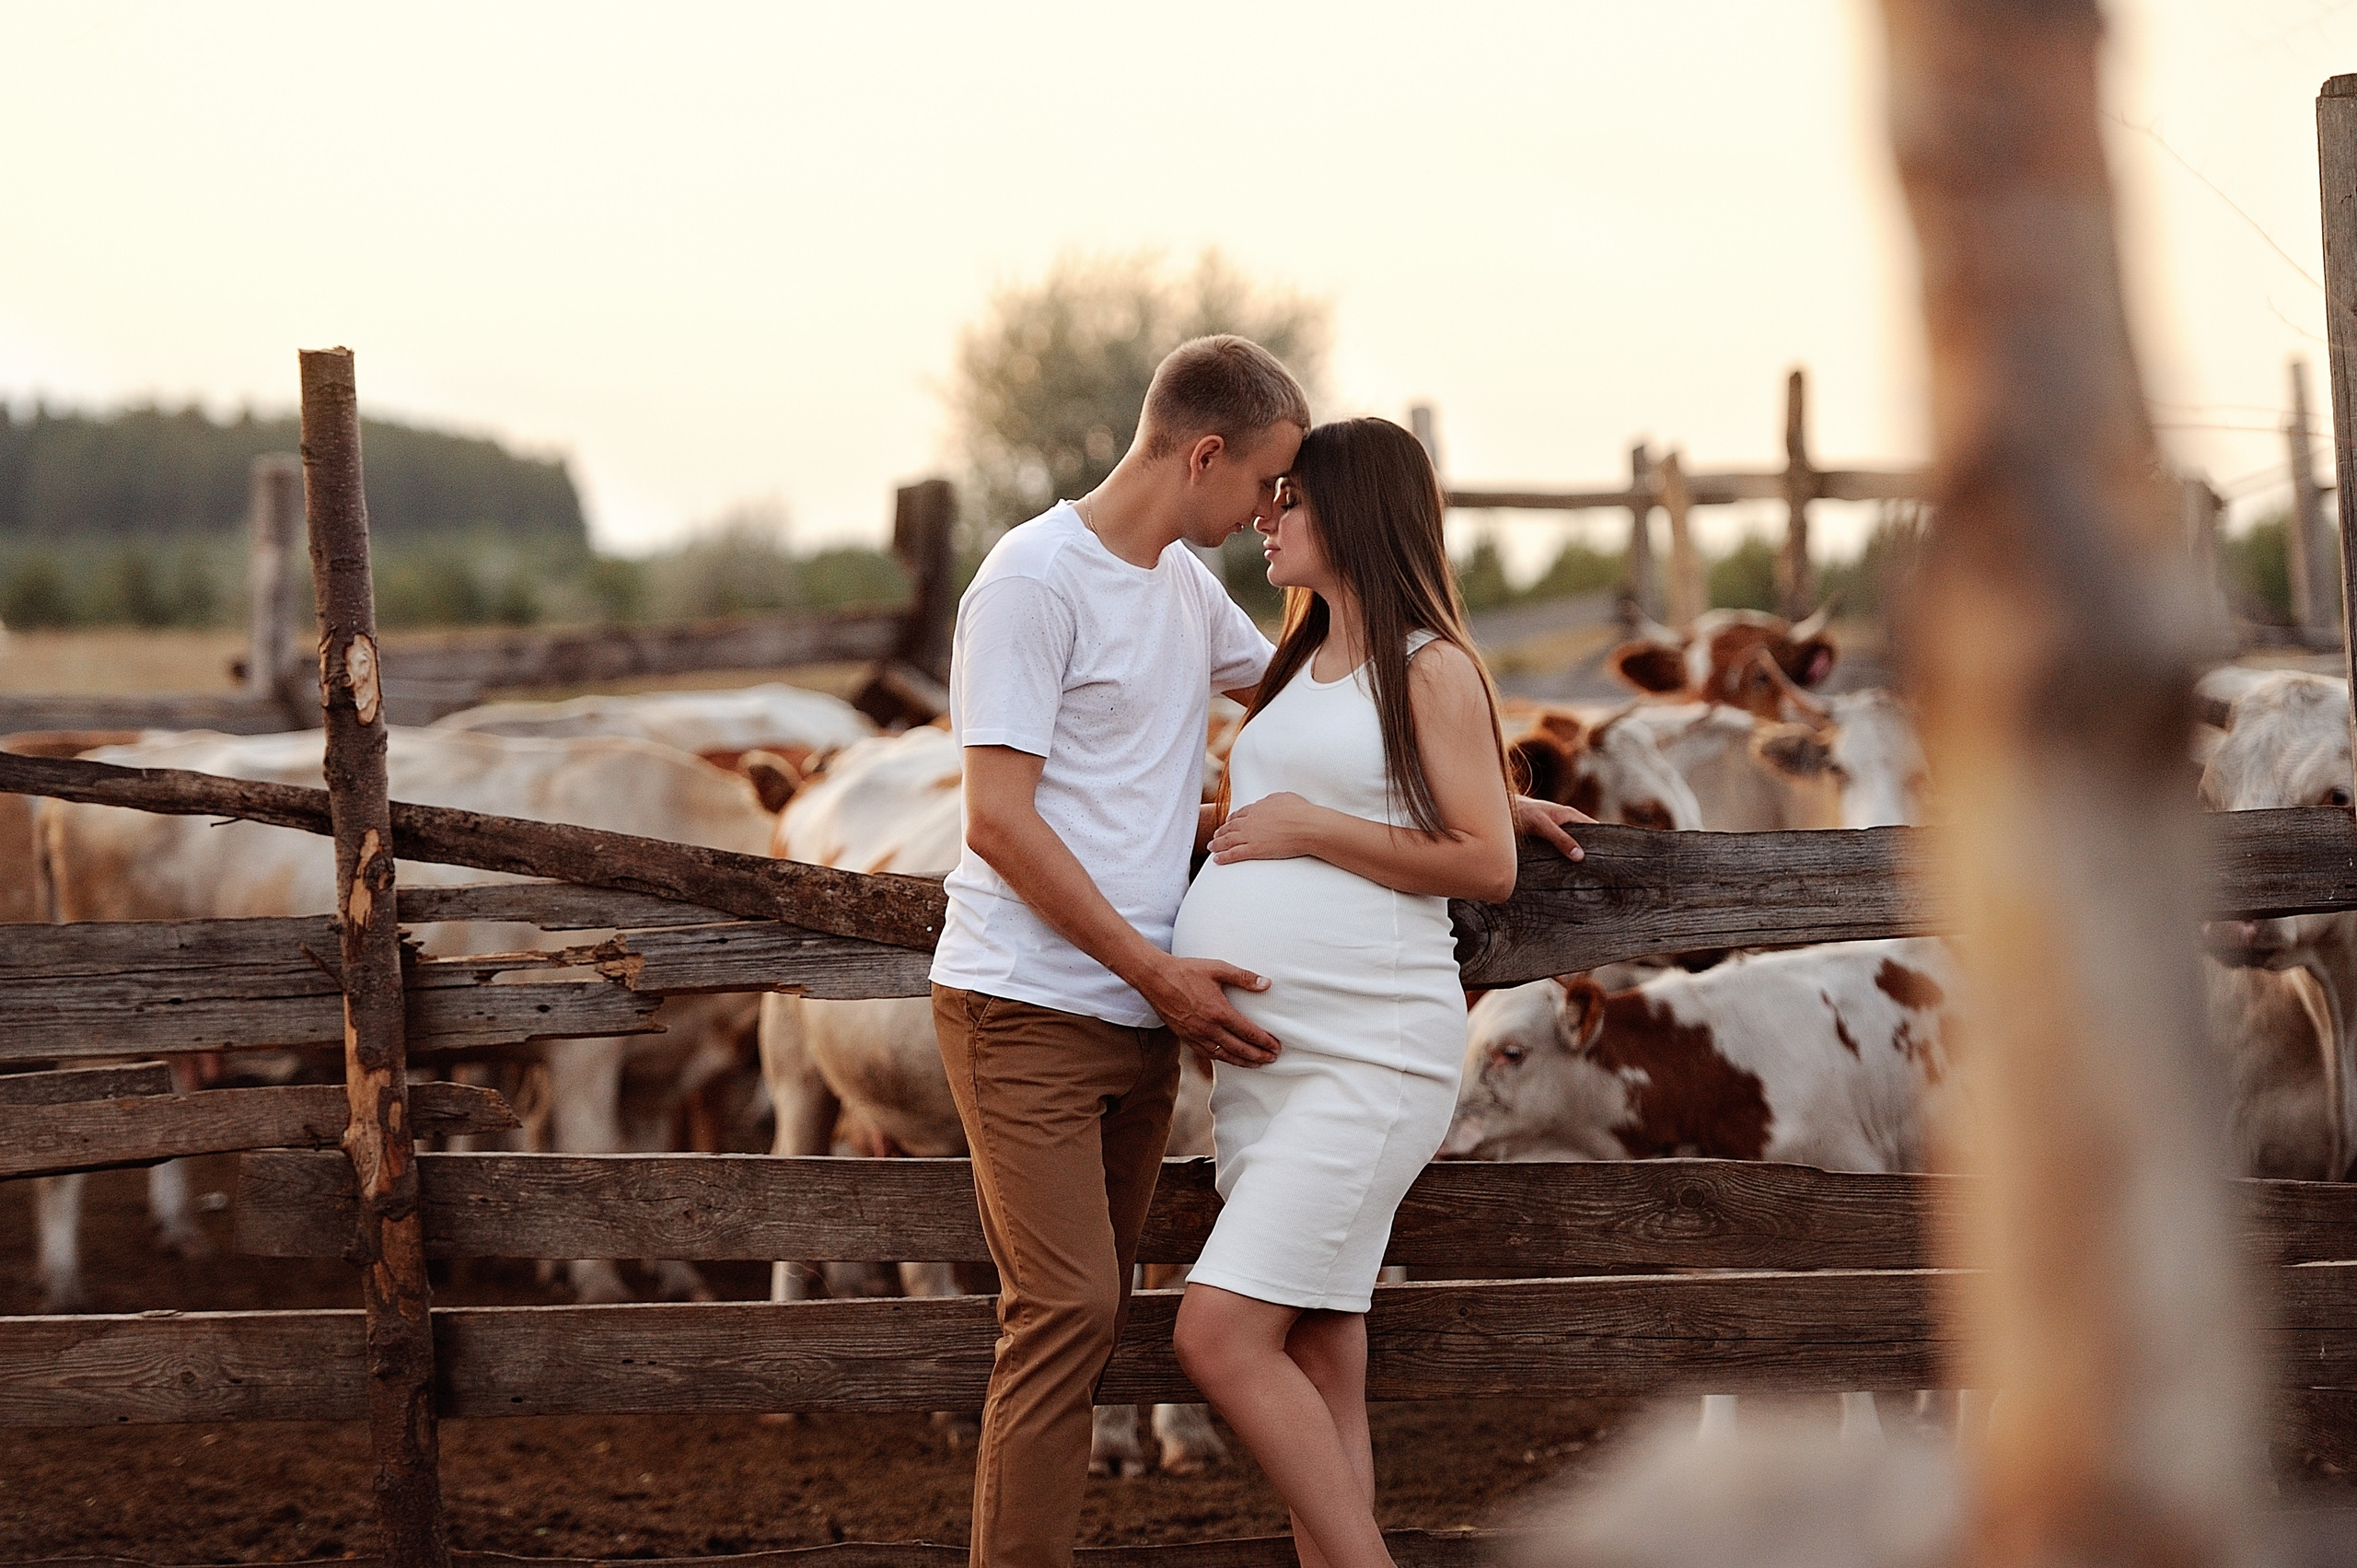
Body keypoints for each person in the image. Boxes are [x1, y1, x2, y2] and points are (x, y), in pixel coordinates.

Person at [930, 334, 1310, 1568]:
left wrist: (1482, 796)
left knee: (1089, 1319)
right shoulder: (1032, 581)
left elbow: (1316, 695)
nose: (1269, 513)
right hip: (1025, 1005)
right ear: (1204, 455)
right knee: (1066, 1308)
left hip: (1143, 1017)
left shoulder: (1185, 589)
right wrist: (1158, 976)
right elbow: (997, 820)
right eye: (1265, 484)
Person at [1168, 417, 1524, 1568]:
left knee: (1218, 1334)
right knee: (1320, 1357)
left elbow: (1484, 861)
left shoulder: (1429, 664)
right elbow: (1306, 806)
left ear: (1356, 511)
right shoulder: (1298, 664)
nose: (1264, 518)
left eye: (1291, 500)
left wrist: (1312, 827)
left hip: (1369, 1054)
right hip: (1271, 1071)